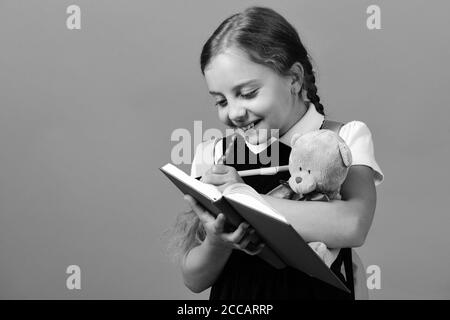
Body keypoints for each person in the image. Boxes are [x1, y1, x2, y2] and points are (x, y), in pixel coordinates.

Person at [169, 6, 384, 300]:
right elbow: (194, 279)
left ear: (294, 79)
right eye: (220, 101)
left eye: (247, 94)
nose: (234, 113)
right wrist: (219, 242)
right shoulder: (214, 154)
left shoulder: (342, 138)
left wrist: (242, 198)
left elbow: (352, 225)